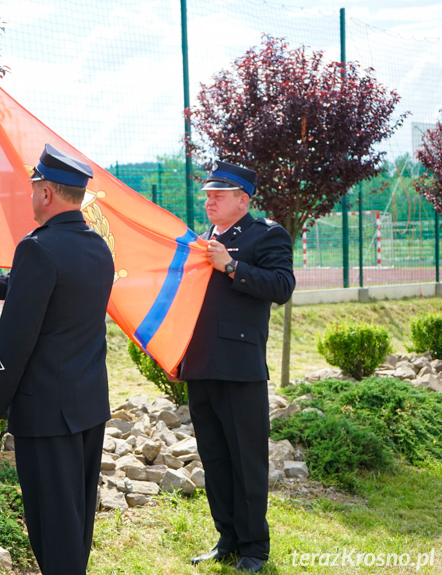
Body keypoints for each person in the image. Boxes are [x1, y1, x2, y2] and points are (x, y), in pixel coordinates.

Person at [0, 144, 115, 575]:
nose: (30, 196)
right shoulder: (97, 247)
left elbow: (15, 339)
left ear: (48, 194)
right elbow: (44, 288)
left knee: (52, 525)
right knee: (75, 517)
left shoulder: (37, 248)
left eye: (34, 188)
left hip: (47, 411)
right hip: (87, 404)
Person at [180, 160, 295, 573]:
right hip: (200, 363)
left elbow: (282, 286)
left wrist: (231, 266)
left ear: (242, 199)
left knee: (246, 460)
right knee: (215, 458)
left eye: (218, 195)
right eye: (208, 194)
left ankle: (254, 548)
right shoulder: (201, 239)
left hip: (240, 366)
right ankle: (226, 539)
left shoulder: (267, 235)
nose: (208, 200)